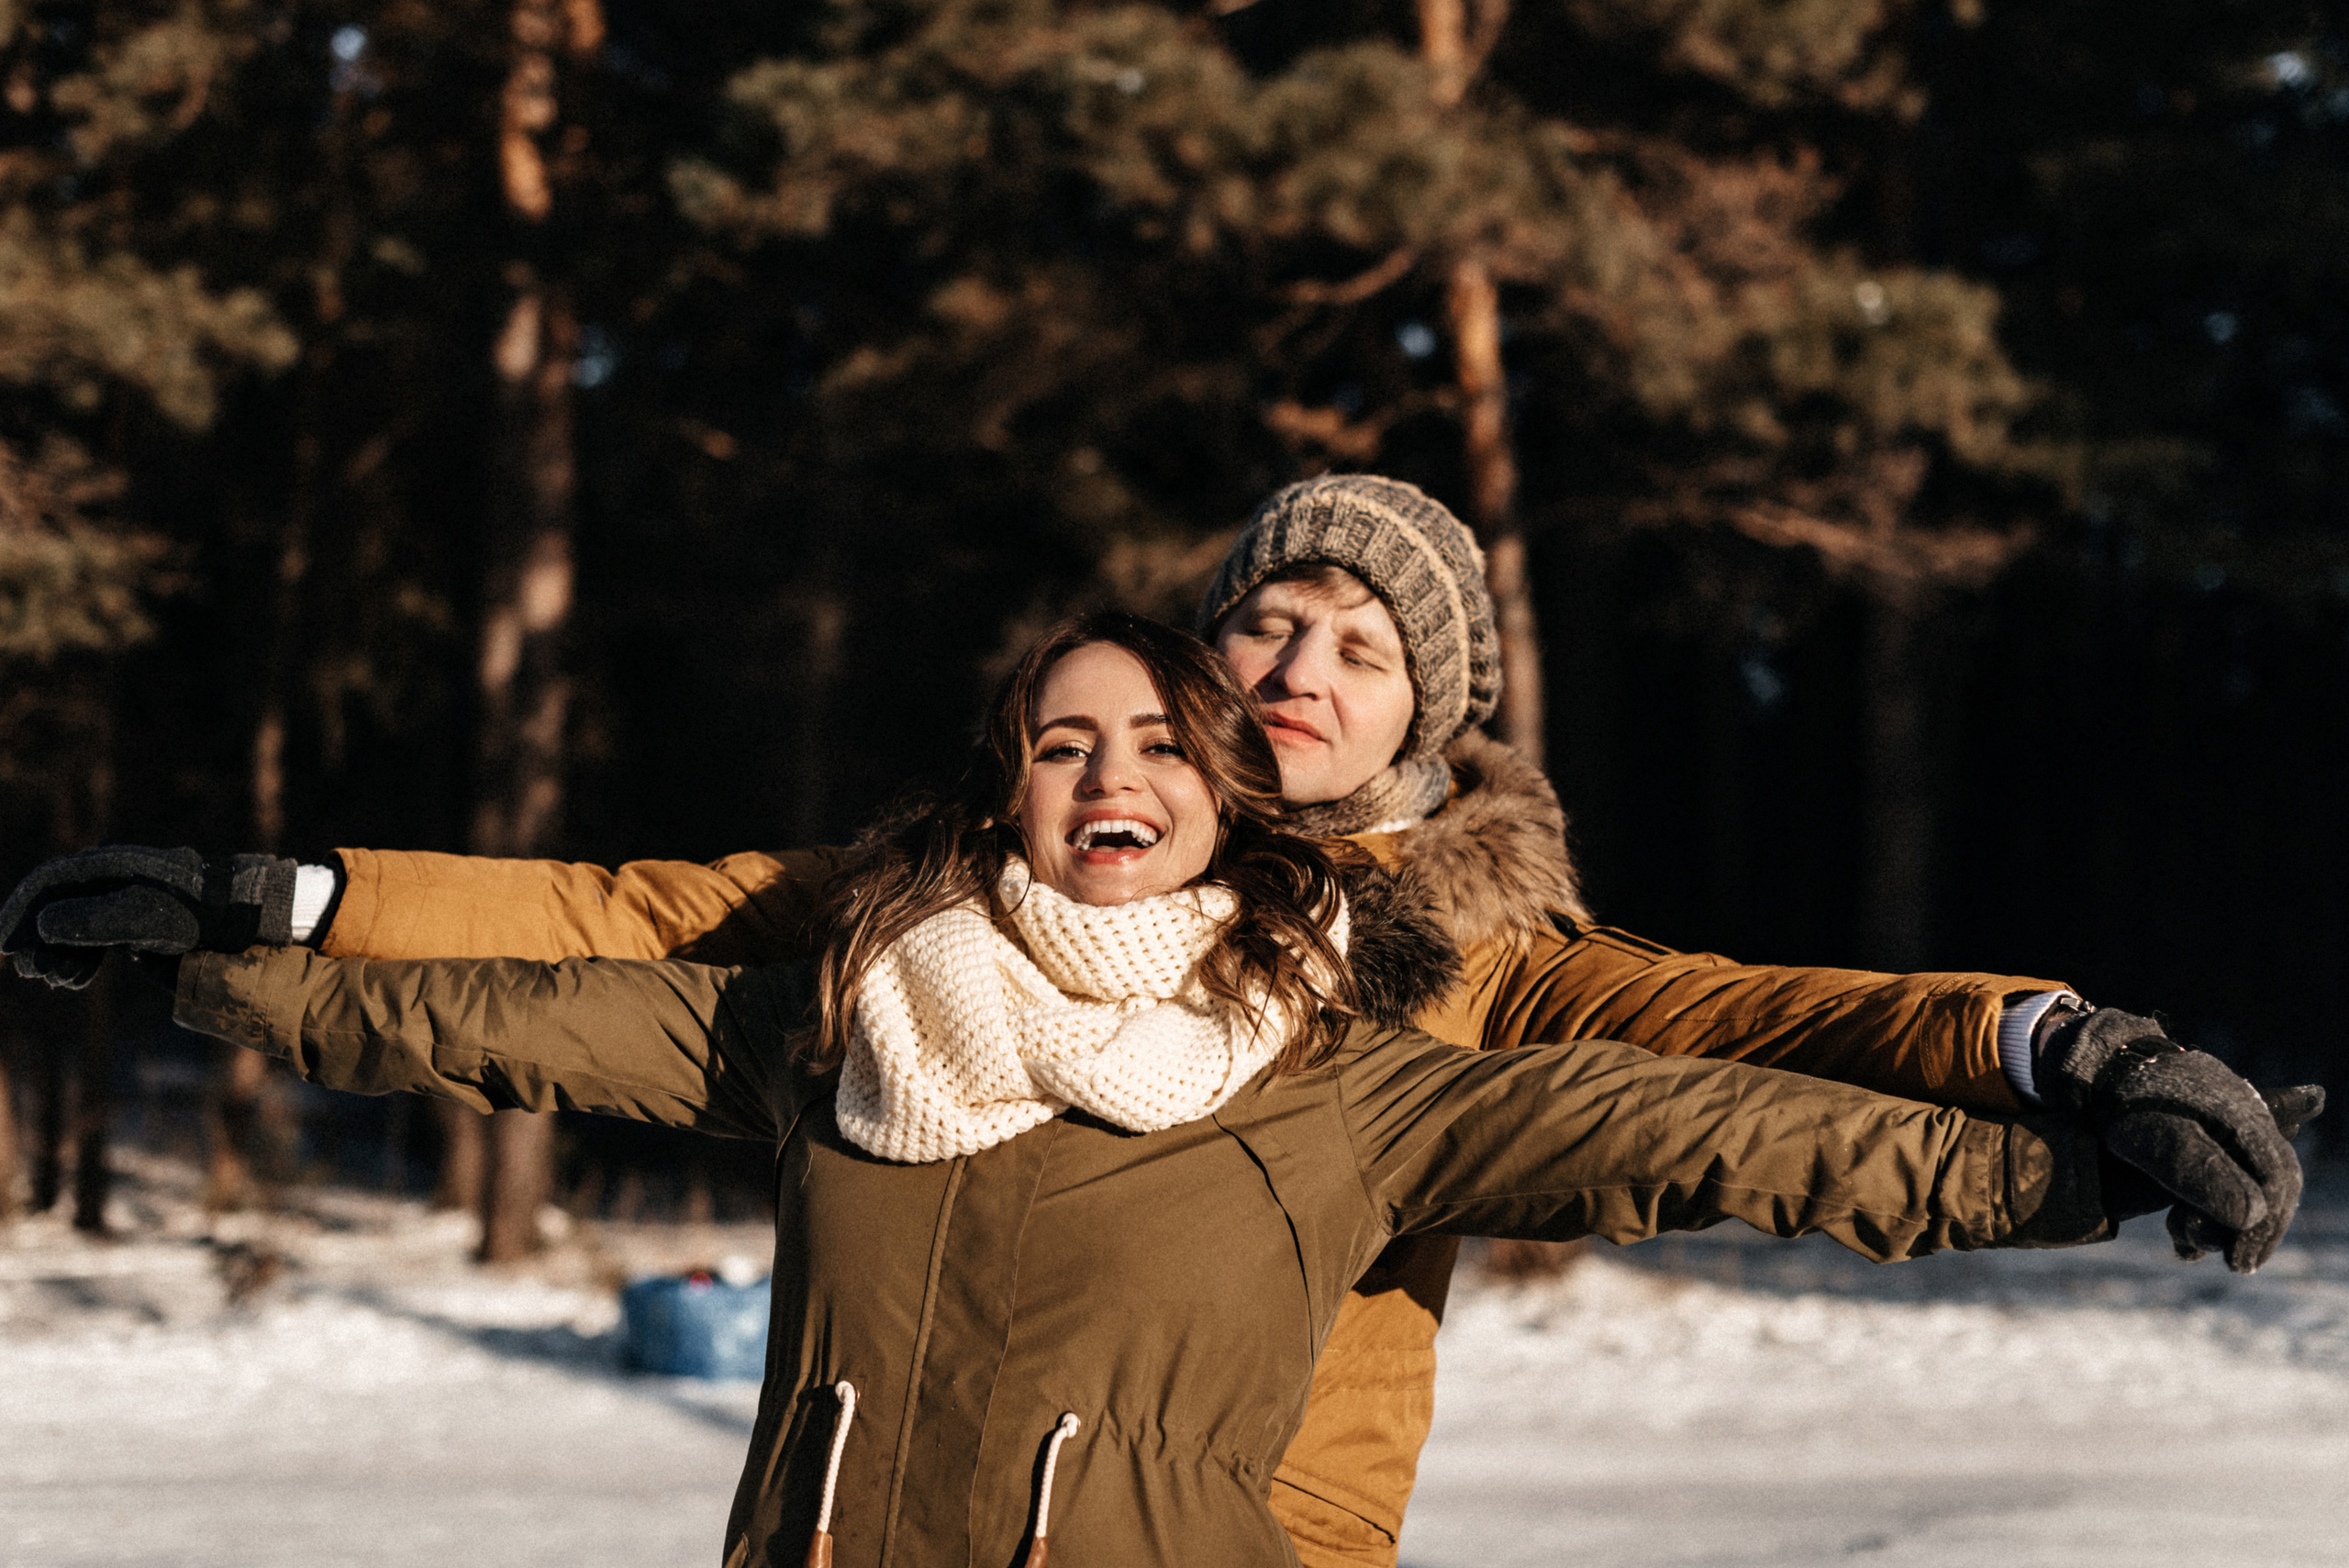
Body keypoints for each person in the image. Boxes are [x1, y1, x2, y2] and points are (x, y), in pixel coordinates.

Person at [0, 482, 2321, 1568]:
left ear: (1427, 722)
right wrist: (285, 899)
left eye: (1363, 650)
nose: (1297, 673)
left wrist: (2055, 1059)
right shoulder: (964, 915)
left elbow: (1741, 1057)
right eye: (1268, 628)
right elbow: (631, 917)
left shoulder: (1472, 960)